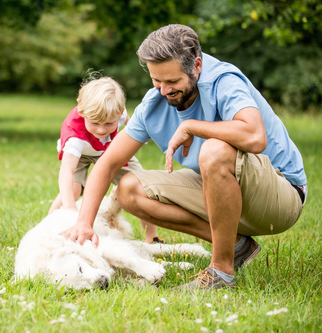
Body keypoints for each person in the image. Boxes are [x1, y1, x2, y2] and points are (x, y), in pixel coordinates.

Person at [61, 24, 307, 290]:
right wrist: (84, 223)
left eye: (173, 82)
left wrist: (192, 126)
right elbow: (108, 163)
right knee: (128, 189)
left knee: (214, 149)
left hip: (280, 195)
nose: (164, 90)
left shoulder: (223, 81)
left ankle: (221, 274)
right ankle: (237, 246)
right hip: (224, 192)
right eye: (157, 81)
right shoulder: (154, 103)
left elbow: (255, 136)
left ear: (197, 65)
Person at [49, 75, 162, 244]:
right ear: (82, 112)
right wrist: (70, 209)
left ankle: (152, 237)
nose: (102, 130)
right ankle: (50, 225)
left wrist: (140, 136)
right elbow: (67, 171)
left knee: (141, 186)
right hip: (81, 153)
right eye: (95, 122)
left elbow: (129, 124)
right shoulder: (75, 138)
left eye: (109, 123)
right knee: (72, 190)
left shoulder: (118, 112)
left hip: (108, 148)